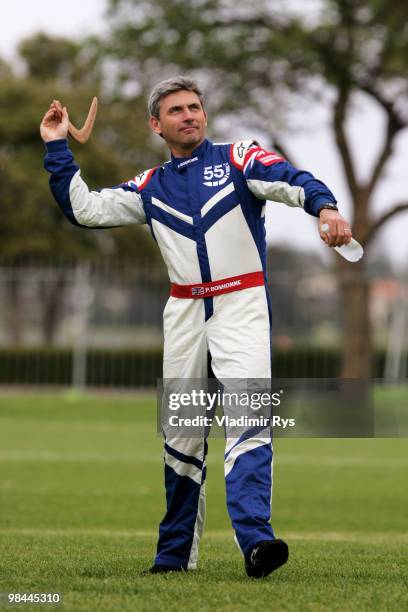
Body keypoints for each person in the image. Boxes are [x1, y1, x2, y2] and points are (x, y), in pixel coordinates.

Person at [40, 76, 352, 578]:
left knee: (250, 419)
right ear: (155, 124)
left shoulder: (239, 157)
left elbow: (291, 179)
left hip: (242, 303)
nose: (189, 115)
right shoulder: (149, 186)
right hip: (184, 313)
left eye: (195, 107)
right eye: (177, 110)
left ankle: (256, 543)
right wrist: (57, 145)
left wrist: (326, 206)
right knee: (181, 434)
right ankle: (173, 558)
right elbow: (85, 209)